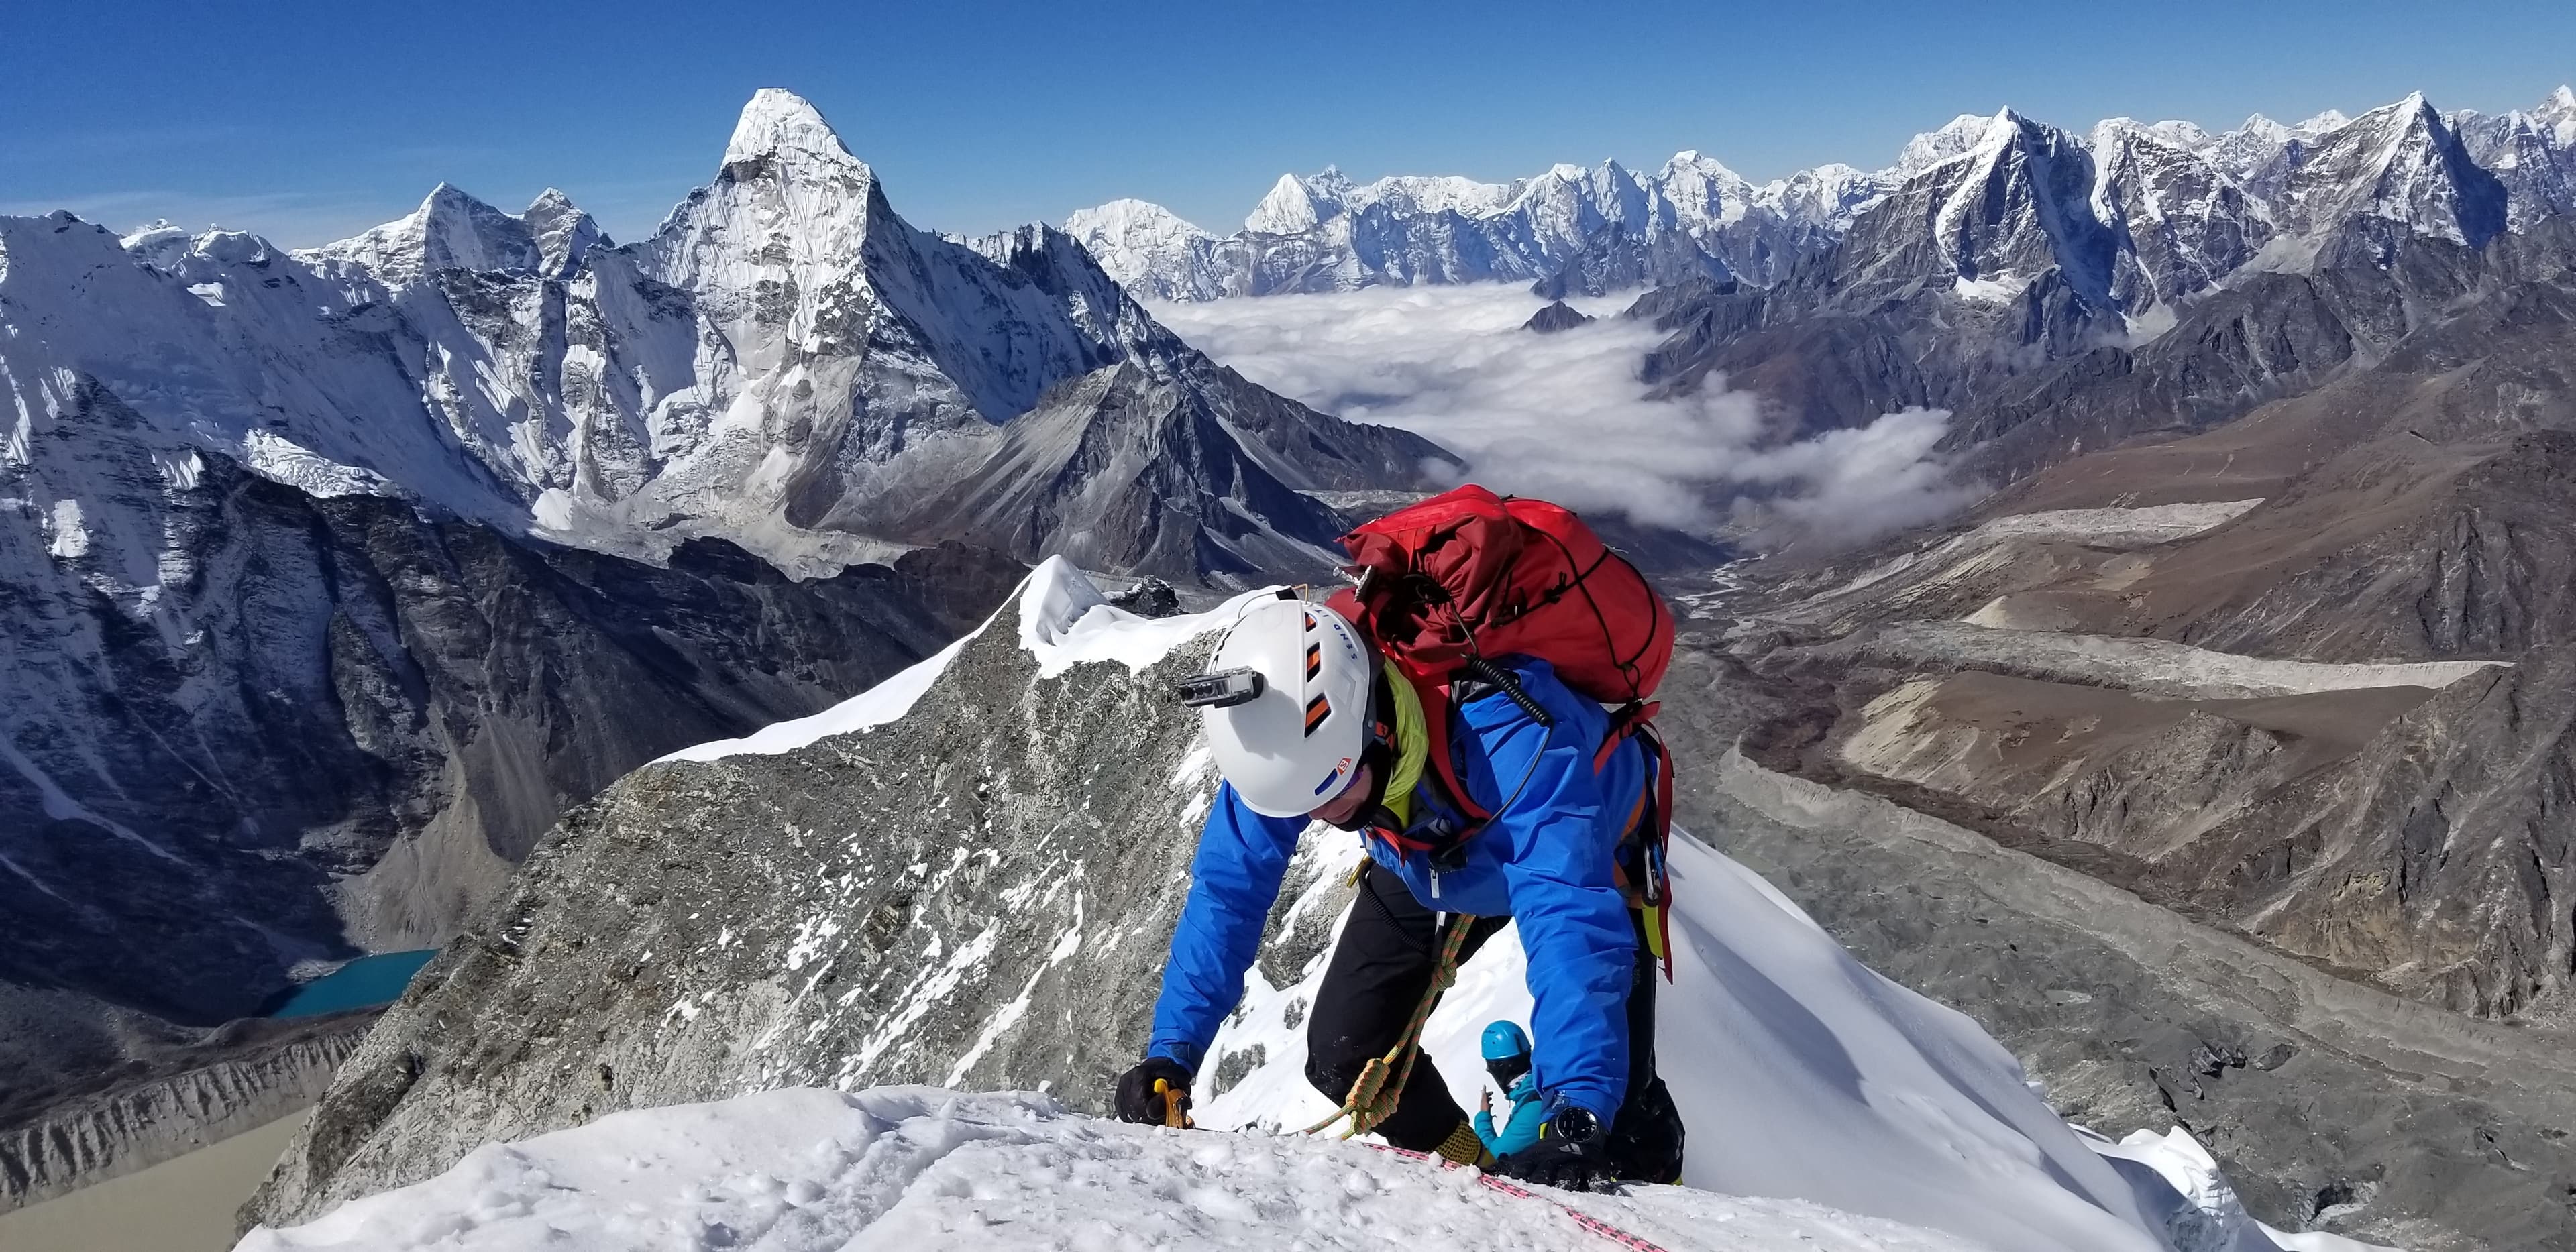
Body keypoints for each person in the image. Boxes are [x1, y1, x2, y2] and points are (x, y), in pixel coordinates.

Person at [1112, 594, 1684, 1190]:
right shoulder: (1284, 749)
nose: (1325, 816)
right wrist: (1173, 1051)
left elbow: (1567, 909)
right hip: (1424, 845)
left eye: (1336, 793)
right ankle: (1479, 1171)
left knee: (1611, 1130)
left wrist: (1578, 1104)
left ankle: (1644, 1142)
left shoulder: (1508, 726)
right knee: (1347, 1054)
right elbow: (1230, 890)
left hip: (1584, 845)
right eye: (1308, 805)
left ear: (1378, 726)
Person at [1472, 1021, 1547, 1159]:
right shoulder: (1539, 1089)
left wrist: (1483, 1118)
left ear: (1500, 1067)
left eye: (1491, 1067)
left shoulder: (1532, 1110)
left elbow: (1490, 1159)